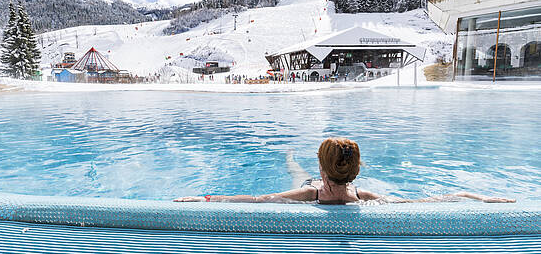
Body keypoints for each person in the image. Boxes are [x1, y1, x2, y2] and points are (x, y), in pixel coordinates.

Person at [174, 138, 516, 204]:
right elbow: (427, 200)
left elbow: (257, 198)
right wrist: (477, 196)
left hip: (310, 186)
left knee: (295, 172)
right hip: (334, 184)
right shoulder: (362, 195)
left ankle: (290, 156)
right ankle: (292, 158)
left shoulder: (309, 192)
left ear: (325, 171)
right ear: (353, 172)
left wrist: (204, 198)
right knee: (297, 171)